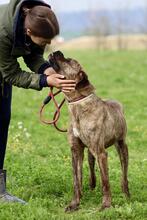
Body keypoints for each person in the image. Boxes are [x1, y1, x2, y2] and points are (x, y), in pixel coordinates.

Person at [0, 0, 76, 204]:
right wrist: (44, 81)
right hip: (4, 70)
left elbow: (33, 55)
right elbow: (11, 73)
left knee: (2, 122)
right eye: (43, 42)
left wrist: (47, 70)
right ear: (28, 30)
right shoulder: (3, 32)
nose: (45, 45)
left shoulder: (33, 20)